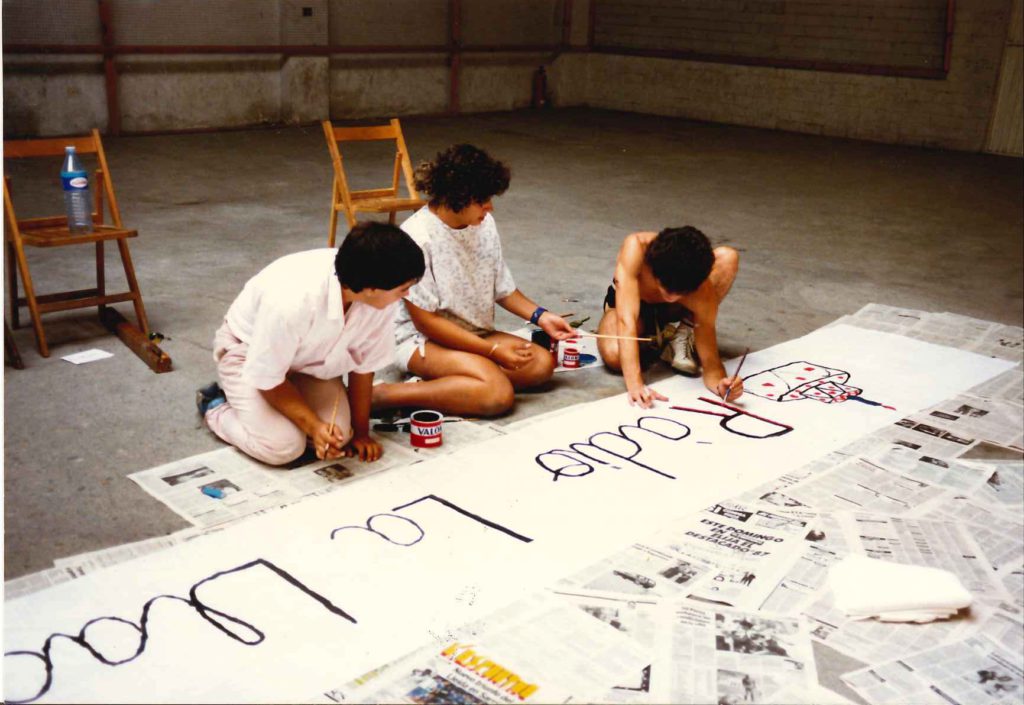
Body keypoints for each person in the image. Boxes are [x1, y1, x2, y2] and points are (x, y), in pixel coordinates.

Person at [196, 222, 425, 466]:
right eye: (403, 289)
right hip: (248, 354)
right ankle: (215, 407)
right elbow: (268, 377)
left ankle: (296, 409)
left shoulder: (378, 295)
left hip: (311, 364)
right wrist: (313, 425)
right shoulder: (292, 301)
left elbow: (363, 367)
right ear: (370, 288)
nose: (407, 295)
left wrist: (360, 433)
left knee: (338, 435)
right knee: (283, 447)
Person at [372, 143, 575, 417]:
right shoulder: (417, 238)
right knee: (497, 394)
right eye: (482, 200)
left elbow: (503, 289)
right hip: (421, 340)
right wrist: (490, 350)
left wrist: (541, 316)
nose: (489, 207)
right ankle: (387, 395)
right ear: (458, 196)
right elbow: (426, 322)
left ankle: (451, 385)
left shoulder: (483, 223)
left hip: (473, 332)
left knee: (541, 364)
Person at [597, 226, 741, 408]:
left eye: (679, 292)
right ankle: (662, 338)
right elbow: (626, 321)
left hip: (675, 312)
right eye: (665, 287)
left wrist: (722, 386)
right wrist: (636, 385)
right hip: (633, 307)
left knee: (728, 256)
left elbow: (711, 363)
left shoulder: (702, 291)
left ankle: (683, 331)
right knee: (614, 356)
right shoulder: (637, 248)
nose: (671, 296)